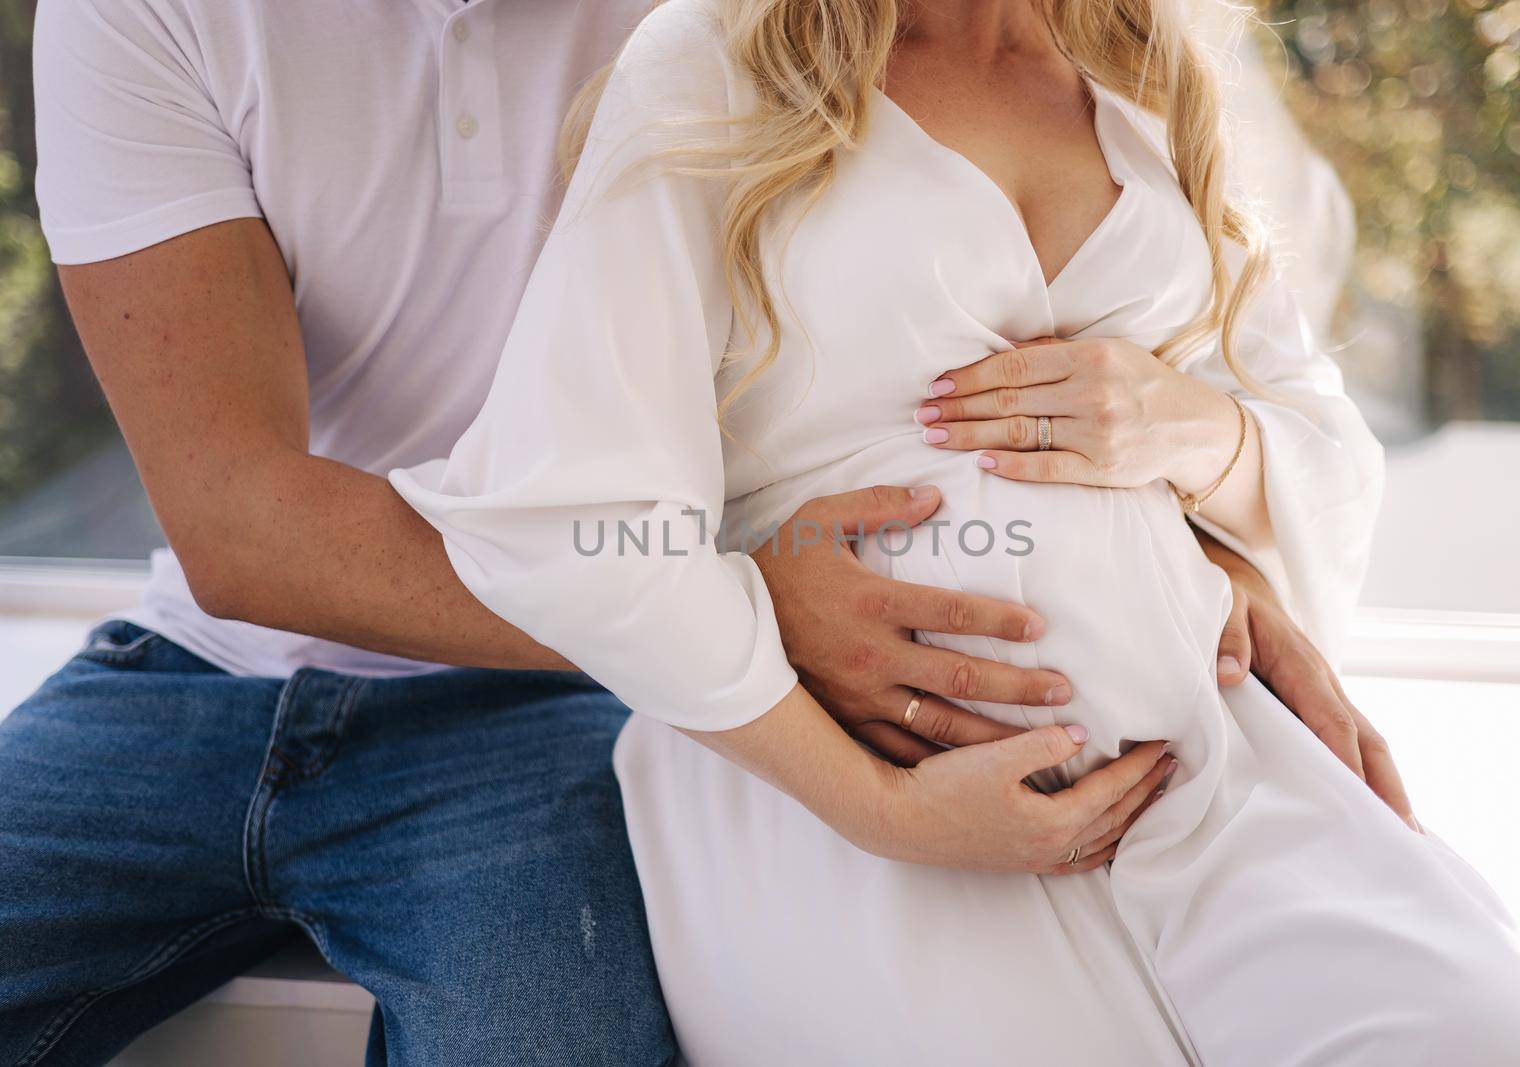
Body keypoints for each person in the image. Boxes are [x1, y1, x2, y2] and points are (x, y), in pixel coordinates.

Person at [3, 0, 1425, 1063]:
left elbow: (1085, 294)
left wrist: (1219, 557)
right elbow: (243, 525)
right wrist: (749, 597)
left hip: (558, 700)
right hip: (193, 672)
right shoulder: (145, 12)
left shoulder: (759, 16)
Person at [392, 0, 1520, 1064]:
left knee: (1490, 1035)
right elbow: (573, 512)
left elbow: (1316, 437)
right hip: (868, 804)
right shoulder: (714, 60)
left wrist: (1188, 434)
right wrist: (876, 806)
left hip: (1200, 763)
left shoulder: (1159, 66)